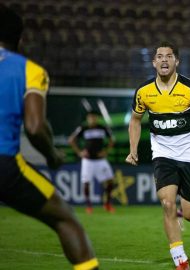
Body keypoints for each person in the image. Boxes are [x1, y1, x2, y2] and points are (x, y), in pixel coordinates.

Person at [0, 4, 99, 270]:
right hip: (4, 165)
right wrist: (53, 156)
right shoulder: (29, 70)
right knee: (66, 219)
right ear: (19, 40)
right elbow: (34, 127)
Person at [125, 41, 190, 270]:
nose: (164, 60)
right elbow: (135, 120)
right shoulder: (144, 92)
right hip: (163, 154)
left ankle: (186, 212)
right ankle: (180, 260)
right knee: (167, 203)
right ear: (154, 62)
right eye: (160, 56)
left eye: (169, 56)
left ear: (176, 61)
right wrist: (133, 150)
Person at [68, 110, 116, 214]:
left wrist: (106, 151)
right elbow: (71, 140)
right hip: (88, 161)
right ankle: (89, 206)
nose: (92, 119)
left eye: (94, 117)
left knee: (110, 182)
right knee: (86, 183)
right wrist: (79, 152)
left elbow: (112, 140)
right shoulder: (83, 128)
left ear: (97, 118)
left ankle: (107, 203)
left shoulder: (103, 128)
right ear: (87, 118)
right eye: (90, 117)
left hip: (100, 160)